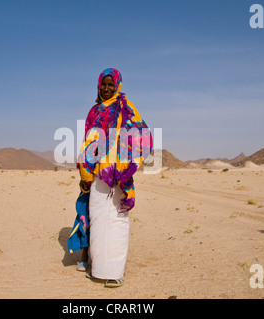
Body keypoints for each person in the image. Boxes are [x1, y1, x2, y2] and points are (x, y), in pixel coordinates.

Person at [77, 68, 152, 288]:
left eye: (111, 84)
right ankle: (98, 269)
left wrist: (124, 163)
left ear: (117, 84)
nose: (107, 88)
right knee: (99, 220)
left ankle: (115, 273)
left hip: (119, 177)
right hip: (98, 175)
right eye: (104, 84)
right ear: (98, 85)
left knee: (118, 220)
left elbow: (142, 135)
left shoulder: (127, 109)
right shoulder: (94, 112)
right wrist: (85, 172)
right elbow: (87, 142)